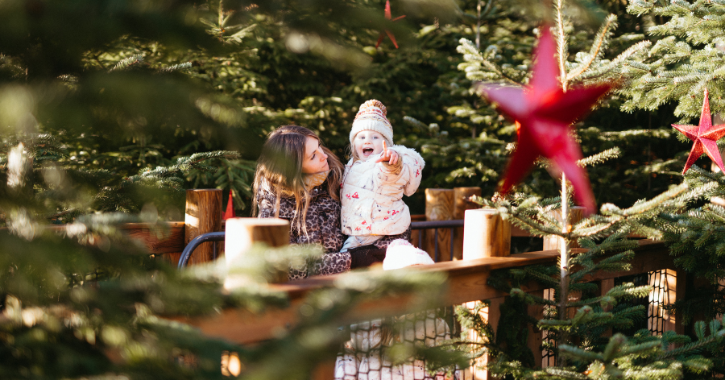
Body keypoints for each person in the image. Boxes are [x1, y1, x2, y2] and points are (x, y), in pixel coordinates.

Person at [252, 125, 407, 280]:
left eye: (319, 147)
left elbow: (388, 215)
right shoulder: (274, 205)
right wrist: (351, 260)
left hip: (353, 286)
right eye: (313, 156)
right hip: (303, 297)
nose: (324, 155)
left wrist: (378, 251)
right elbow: (288, 267)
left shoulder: (339, 180)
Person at [340, 100, 424, 256]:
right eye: (361, 136)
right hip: (359, 230)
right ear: (354, 144)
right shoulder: (352, 165)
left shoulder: (384, 162)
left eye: (375, 137)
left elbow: (393, 175)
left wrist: (392, 161)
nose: (367, 140)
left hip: (384, 227)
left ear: (387, 143)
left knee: (349, 261)